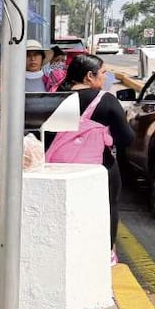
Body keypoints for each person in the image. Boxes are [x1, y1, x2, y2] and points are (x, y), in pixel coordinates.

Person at [51, 54, 134, 264]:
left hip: (57, 166)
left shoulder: (55, 95)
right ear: (90, 76)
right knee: (109, 205)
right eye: (104, 73)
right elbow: (126, 138)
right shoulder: (105, 100)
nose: (106, 78)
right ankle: (105, 252)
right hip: (99, 166)